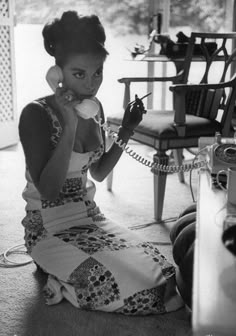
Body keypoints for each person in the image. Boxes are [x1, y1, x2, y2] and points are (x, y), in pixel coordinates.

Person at [19, 10, 184, 314]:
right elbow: (49, 191)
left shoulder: (95, 110)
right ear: (57, 72)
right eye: (78, 74)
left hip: (88, 217)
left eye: (98, 73)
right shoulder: (36, 115)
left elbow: (98, 170)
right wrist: (68, 125)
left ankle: (64, 272)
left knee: (166, 277)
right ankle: (61, 279)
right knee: (140, 294)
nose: (90, 85)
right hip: (46, 227)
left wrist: (127, 129)